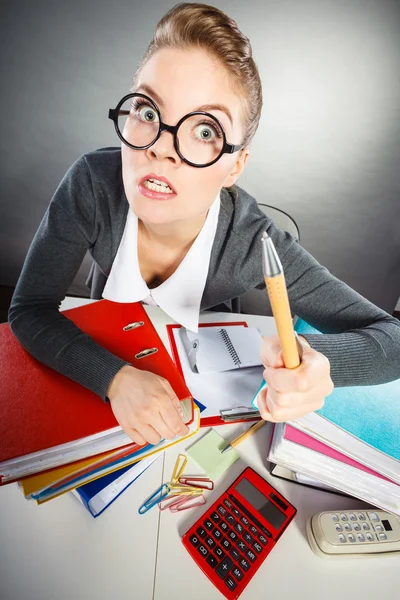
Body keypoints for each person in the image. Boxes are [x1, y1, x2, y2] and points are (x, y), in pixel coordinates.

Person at [9, 3, 400, 448]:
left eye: (206, 131)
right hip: (106, 356)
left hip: (202, 394)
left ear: (235, 166)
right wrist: (114, 378)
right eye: (149, 111)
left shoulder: (254, 242)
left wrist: (318, 363)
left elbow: (394, 339)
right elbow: (29, 309)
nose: (161, 149)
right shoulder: (92, 184)